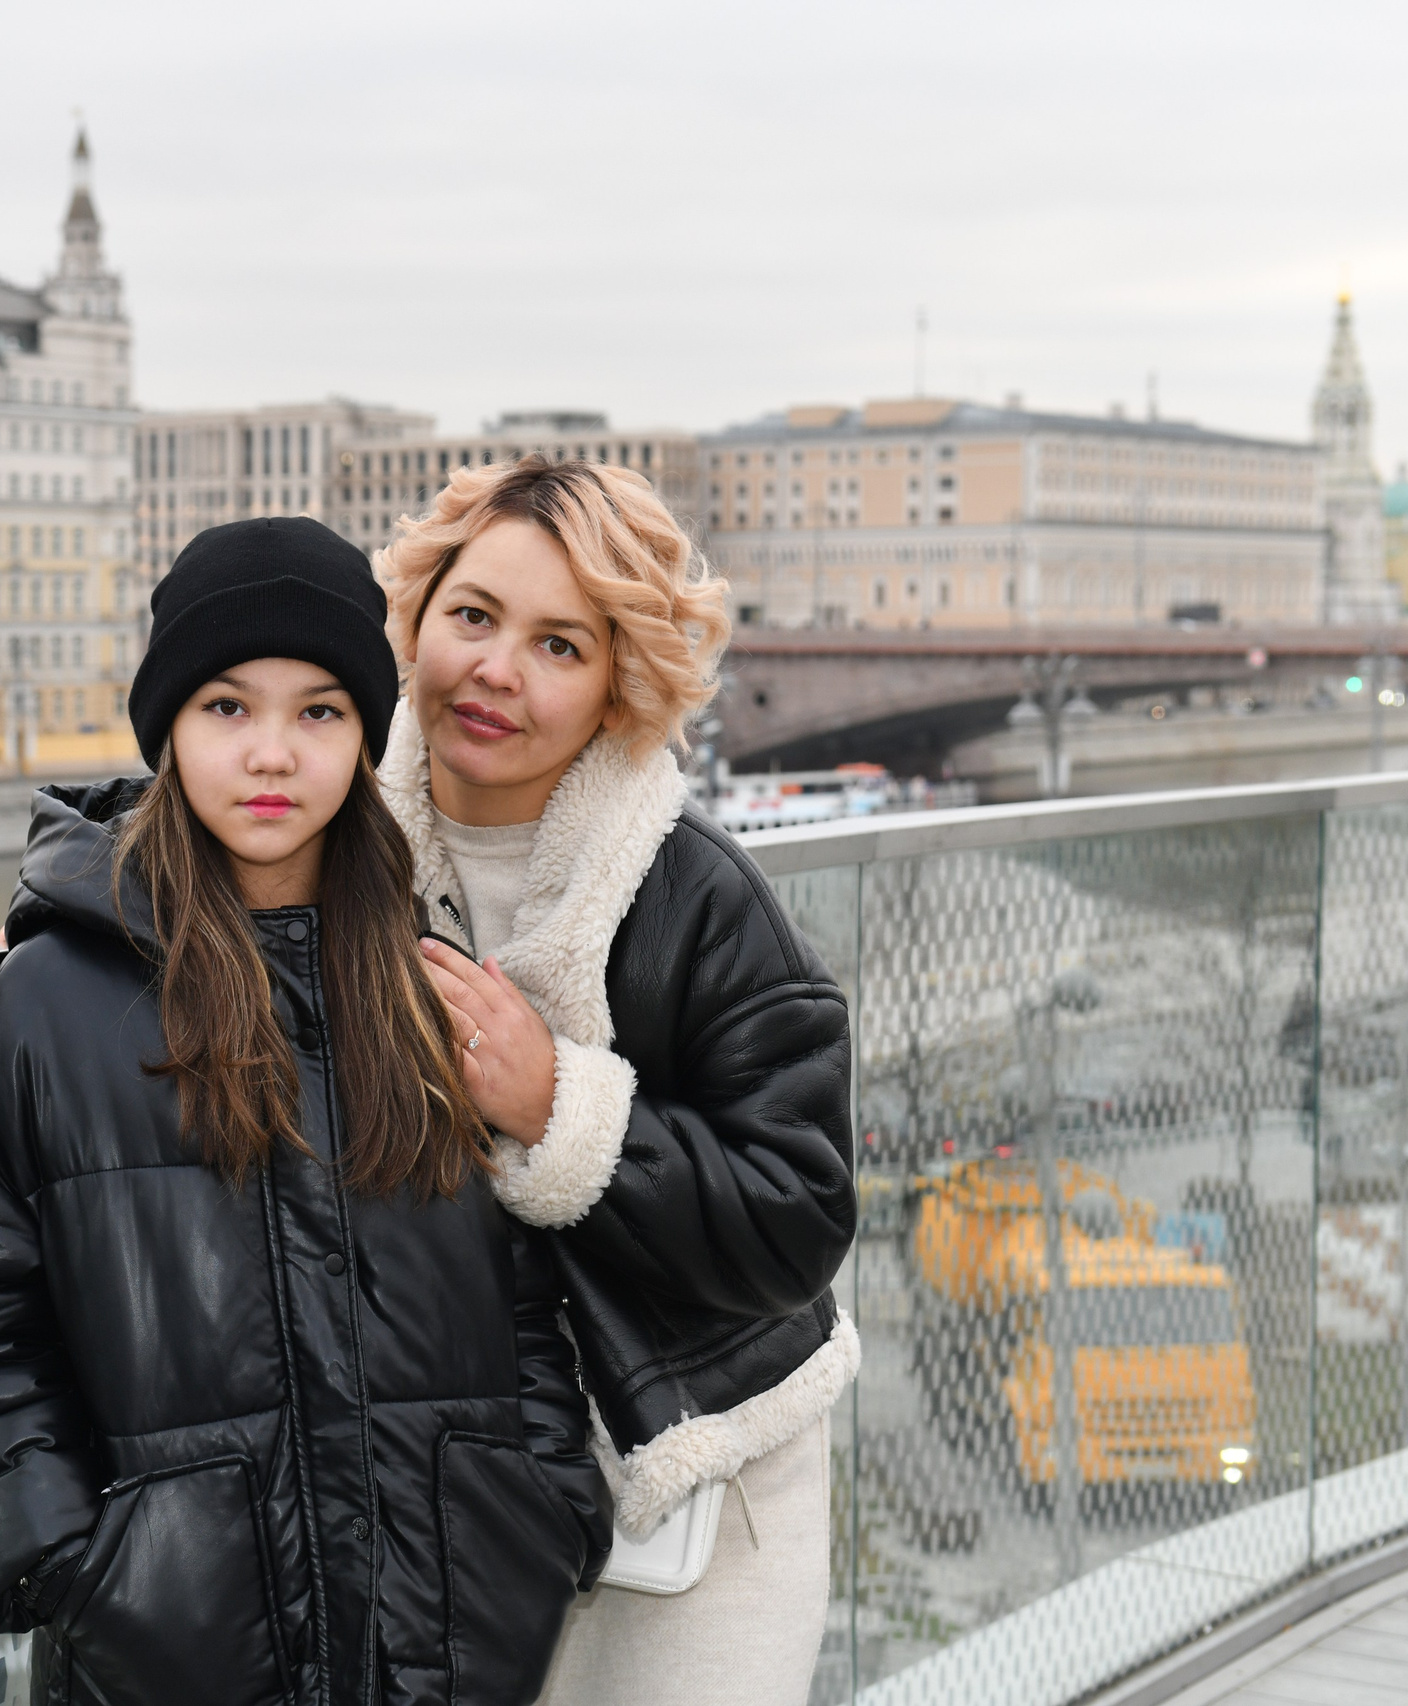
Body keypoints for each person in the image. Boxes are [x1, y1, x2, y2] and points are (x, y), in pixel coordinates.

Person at [0, 516, 610, 1706]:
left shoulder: (423, 981)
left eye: (320, 711)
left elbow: (517, 1290)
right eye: (227, 708)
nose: (273, 753)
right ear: (169, 729)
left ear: (362, 738)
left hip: (440, 1637)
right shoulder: (49, 999)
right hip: (167, 1645)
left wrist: (545, 1505)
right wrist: (63, 1562)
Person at [376, 457, 859, 1705]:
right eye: (472, 616)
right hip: (458, 1481)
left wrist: (563, 1111)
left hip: (696, 1477)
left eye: (558, 643)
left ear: (615, 685)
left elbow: (799, 1212)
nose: (495, 669)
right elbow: (193, 803)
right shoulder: (337, 850)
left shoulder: (699, 897)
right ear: (416, 619)